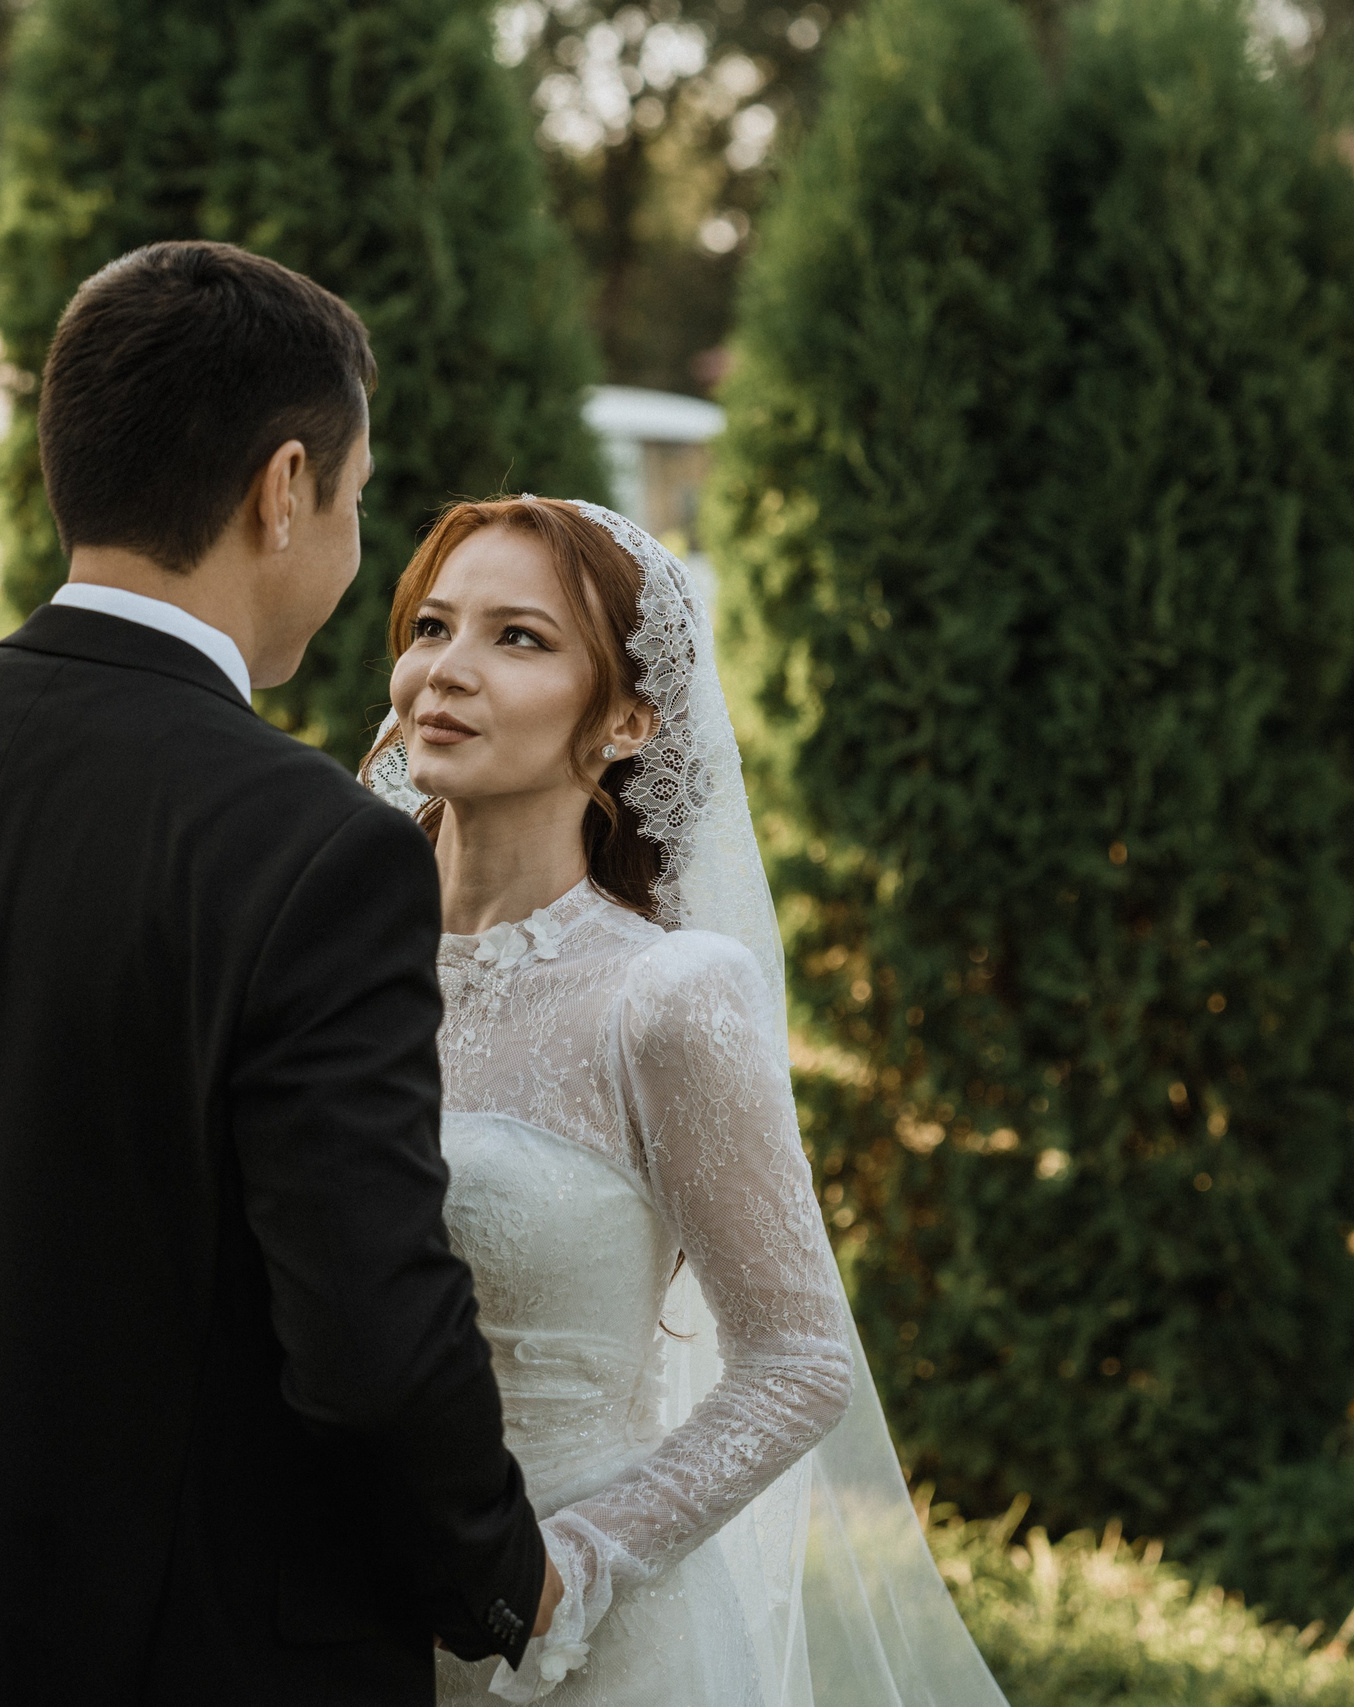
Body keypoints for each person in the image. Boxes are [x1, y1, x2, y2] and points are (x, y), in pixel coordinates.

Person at [0, 240, 557, 1706]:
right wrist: (499, 1567)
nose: (347, 546)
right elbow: (371, 1336)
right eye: (356, 497)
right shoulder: (316, 848)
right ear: (282, 488)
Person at [363, 497, 1011, 1706]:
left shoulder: (663, 996)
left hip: (576, 1646)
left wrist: (573, 1568)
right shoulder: (321, 955)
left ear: (626, 720)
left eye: (519, 639)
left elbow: (800, 1358)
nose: (446, 672)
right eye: (434, 626)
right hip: (317, 1616)